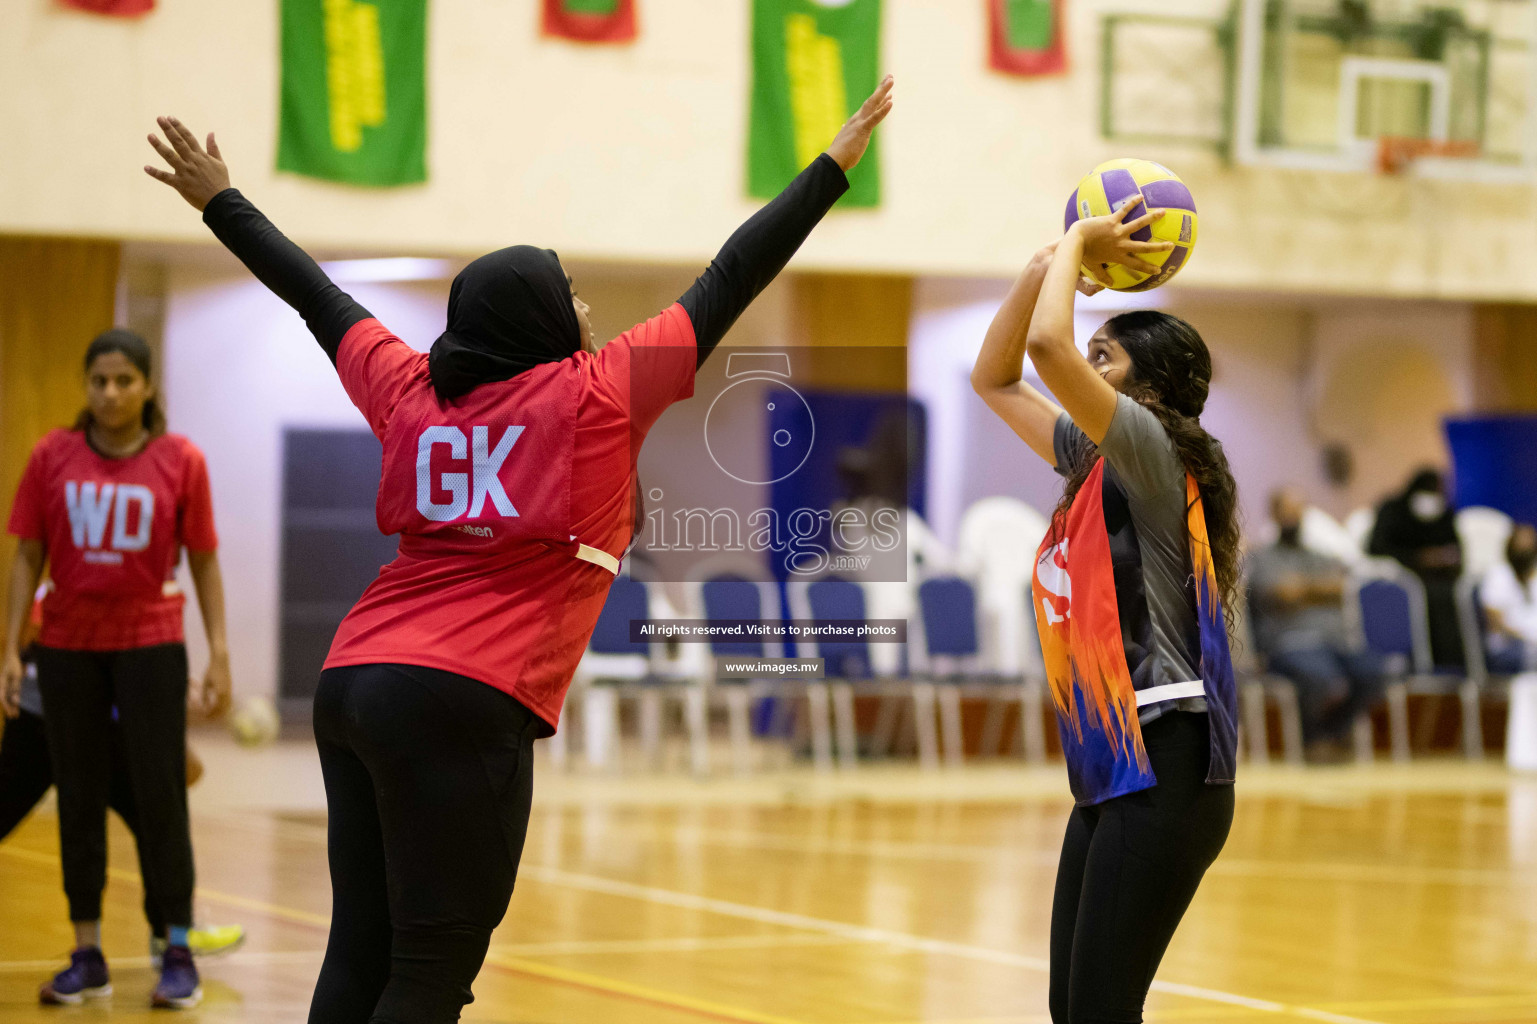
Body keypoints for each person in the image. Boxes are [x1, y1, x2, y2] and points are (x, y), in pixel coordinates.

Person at [141, 75, 892, 1024]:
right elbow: (733, 273)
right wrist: (832, 168)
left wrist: (220, 201)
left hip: (352, 677)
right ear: (538, 317)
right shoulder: (601, 393)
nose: (585, 307)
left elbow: (313, 294)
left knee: (362, 952)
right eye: (570, 292)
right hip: (462, 696)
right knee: (428, 971)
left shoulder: (409, 385)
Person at [971, 199, 1239, 1023]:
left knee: (1098, 1012)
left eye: (1105, 358)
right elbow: (996, 376)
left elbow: (1047, 350)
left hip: (1167, 761)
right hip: (1114, 766)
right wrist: (1037, 271)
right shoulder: (1096, 460)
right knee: (1076, 1010)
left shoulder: (1154, 456)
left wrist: (1081, 246)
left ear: (1149, 389)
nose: (1086, 366)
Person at [1, 328, 233, 1008]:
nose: (109, 393)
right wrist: (11, 647)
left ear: (147, 387)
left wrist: (218, 649)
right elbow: (26, 553)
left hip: (150, 646)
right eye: (98, 381)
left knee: (161, 798)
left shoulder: (179, 459)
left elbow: (204, 558)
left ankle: (178, 949)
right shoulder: (53, 454)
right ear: (87, 386)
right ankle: (87, 951)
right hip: (67, 646)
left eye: (123, 381)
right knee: (77, 797)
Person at [0, 588, 245, 963]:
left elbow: (188, 773)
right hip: (45, 720)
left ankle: (171, 932)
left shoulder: (147, 602)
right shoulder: (65, 584)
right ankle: (152, 934)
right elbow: (31, 627)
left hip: (107, 728)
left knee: (157, 820)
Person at [1246, 487, 1386, 759]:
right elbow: (1283, 592)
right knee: (1320, 675)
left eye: (1297, 512)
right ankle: (1312, 741)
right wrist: (1314, 591)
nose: (1292, 518)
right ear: (1274, 515)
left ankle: (1332, 733)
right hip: (1286, 645)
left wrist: (1303, 590)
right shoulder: (1261, 558)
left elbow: (1339, 589)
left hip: (1331, 643)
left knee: (1373, 672)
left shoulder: (1318, 556)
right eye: (1286, 512)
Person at [1368, 467, 1465, 667]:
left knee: (1452, 595)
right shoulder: (1393, 510)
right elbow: (1376, 547)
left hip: (1441, 578)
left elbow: (1457, 549)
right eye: (1429, 491)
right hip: (1402, 578)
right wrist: (1418, 558)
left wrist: (1445, 559)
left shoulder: (1445, 514)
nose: (1433, 498)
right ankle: (1424, 664)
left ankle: (1456, 666)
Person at [1480, 523, 1537, 673]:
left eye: (1530, 543)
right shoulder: (1498, 575)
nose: (1526, 548)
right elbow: (1495, 621)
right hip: (1509, 647)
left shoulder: (1535, 577)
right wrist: (1528, 640)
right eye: (1521, 543)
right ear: (1511, 545)